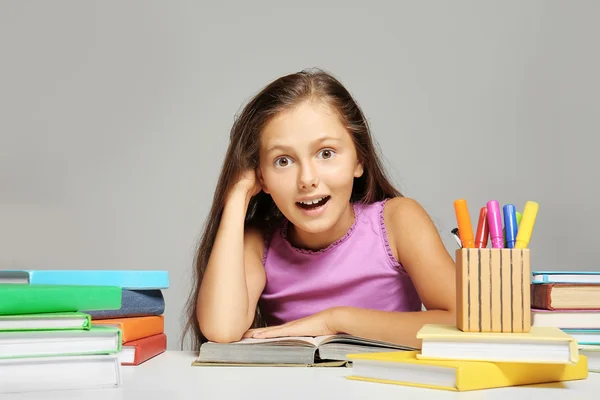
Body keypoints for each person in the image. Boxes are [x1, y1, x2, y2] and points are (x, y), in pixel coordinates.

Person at [182, 68, 456, 351]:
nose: (307, 179)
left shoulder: (398, 222)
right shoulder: (258, 243)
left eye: (326, 153)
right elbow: (221, 329)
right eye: (283, 161)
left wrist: (336, 321)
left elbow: (459, 322)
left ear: (359, 160)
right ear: (260, 176)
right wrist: (237, 195)